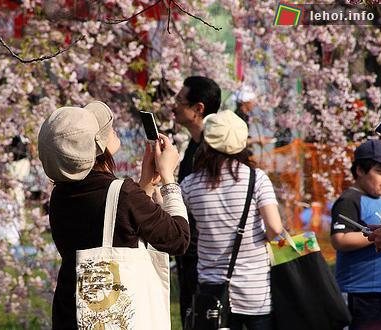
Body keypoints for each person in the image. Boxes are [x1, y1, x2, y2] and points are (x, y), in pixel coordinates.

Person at [37, 101, 190, 329]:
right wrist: (168, 178)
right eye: (104, 130)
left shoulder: (60, 196)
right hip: (117, 318)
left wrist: (144, 186)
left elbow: (114, 226)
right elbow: (179, 239)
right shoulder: (124, 194)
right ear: (98, 149)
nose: (112, 129)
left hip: (72, 314)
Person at [180, 110, 284, 330]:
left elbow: (173, 215)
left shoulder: (190, 184)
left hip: (212, 291)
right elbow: (275, 228)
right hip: (255, 292)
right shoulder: (256, 179)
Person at [173, 76, 221, 325]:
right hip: (188, 252)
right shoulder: (192, 146)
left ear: (198, 108)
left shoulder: (212, 153)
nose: (174, 105)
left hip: (206, 257)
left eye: (180, 100)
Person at [330, 139, 381, 330]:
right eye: (380, 172)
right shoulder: (350, 199)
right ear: (360, 170)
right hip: (361, 292)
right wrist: (376, 235)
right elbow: (340, 239)